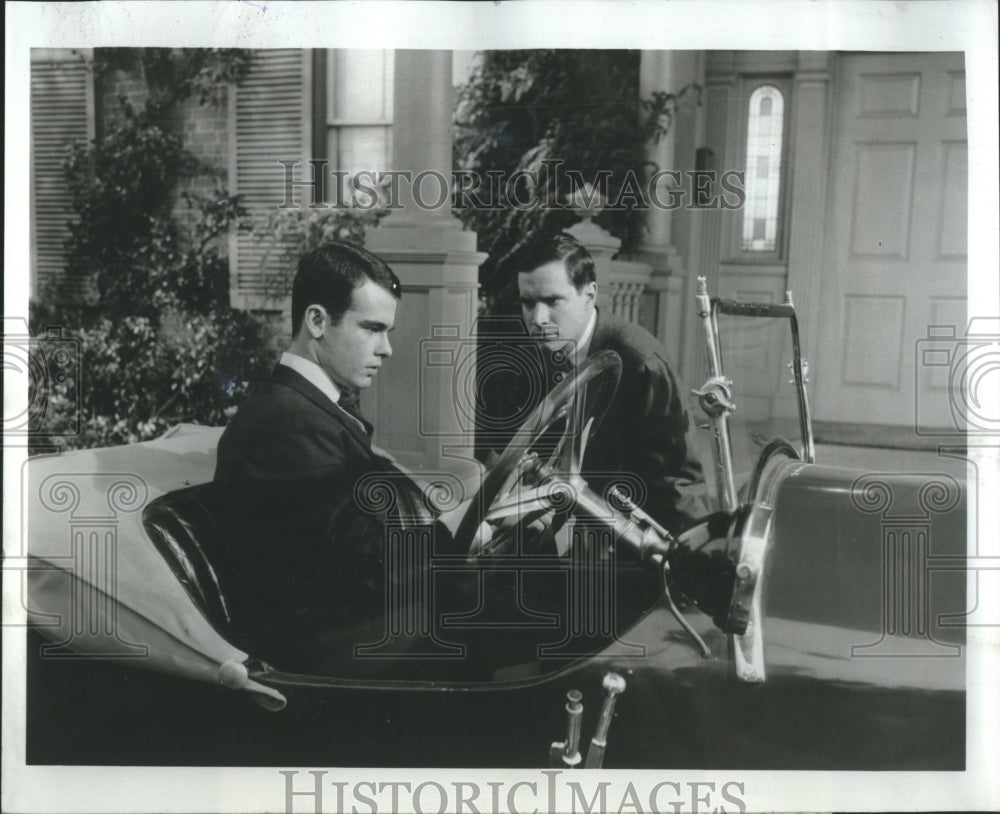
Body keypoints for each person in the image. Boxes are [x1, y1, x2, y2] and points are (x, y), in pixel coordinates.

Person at [214, 241, 455, 674]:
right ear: (318, 321)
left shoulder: (311, 407)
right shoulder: (286, 422)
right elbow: (361, 570)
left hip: (353, 625)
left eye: (388, 332)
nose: (387, 349)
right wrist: (453, 531)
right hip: (326, 650)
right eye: (371, 328)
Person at [481, 232, 706, 539]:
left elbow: (676, 485)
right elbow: (502, 454)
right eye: (528, 303)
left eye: (552, 301)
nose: (538, 318)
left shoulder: (641, 363)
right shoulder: (530, 350)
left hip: (623, 548)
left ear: (590, 294)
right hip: (549, 530)